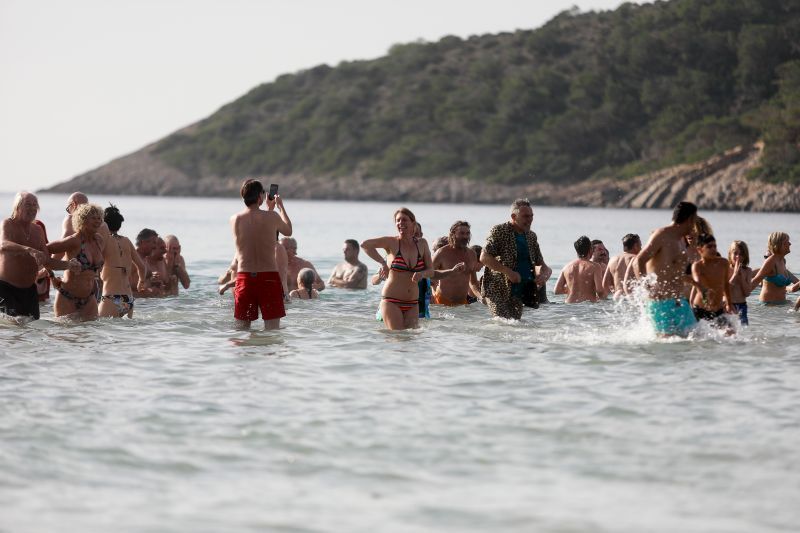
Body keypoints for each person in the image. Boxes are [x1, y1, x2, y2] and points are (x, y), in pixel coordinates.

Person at [0, 192, 78, 320]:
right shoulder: (8, 224)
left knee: (33, 329)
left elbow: (47, 260)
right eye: (28, 204)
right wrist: (29, 249)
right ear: (17, 207)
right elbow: (3, 244)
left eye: (35, 205)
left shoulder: (38, 230)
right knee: (11, 329)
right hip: (6, 289)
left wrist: (68, 265)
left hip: (30, 291)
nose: (32, 208)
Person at [230, 179, 292, 330]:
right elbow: (288, 231)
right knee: (272, 330)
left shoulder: (235, 219)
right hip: (268, 278)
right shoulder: (272, 217)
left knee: (241, 329)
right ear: (260, 197)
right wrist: (279, 207)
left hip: (245, 279)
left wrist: (268, 211)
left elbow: (254, 232)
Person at [633, 201, 700, 337]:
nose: (695, 225)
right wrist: (645, 286)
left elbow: (676, 273)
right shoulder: (661, 235)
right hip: (661, 303)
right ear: (689, 219)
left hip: (680, 303)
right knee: (667, 346)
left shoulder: (681, 240)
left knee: (697, 339)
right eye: (694, 220)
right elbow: (639, 260)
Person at [479, 198, 552, 320]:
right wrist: (508, 272)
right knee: (502, 322)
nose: (530, 220)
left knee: (515, 326)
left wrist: (544, 276)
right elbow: (484, 257)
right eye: (525, 216)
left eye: (531, 216)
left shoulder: (531, 236)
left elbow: (544, 267)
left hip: (520, 292)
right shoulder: (499, 231)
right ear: (513, 216)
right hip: (497, 289)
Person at [362, 207, 433, 330]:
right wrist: (383, 263)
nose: (400, 223)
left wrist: (421, 274)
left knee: (410, 341)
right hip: (391, 301)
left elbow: (431, 271)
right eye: (398, 220)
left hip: (412, 303)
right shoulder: (391, 242)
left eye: (404, 220)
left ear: (413, 223)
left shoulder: (422, 244)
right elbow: (365, 244)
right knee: (398, 338)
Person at [47, 203, 106, 321]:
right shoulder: (74, 241)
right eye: (93, 218)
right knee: (67, 337)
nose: (98, 221)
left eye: (99, 218)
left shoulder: (99, 240)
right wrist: (51, 276)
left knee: (92, 336)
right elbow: (43, 250)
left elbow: (95, 271)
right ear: (83, 220)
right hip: (68, 298)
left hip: (90, 298)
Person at [99, 204, 146, 318]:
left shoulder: (103, 241)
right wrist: (141, 282)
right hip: (128, 298)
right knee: (124, 333)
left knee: (101, 330)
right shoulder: (127, 241)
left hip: (111, 297)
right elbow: (142, 267)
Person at [431, 221, 480, 306]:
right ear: (453, 234)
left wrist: (481, 297)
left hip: (463, 303)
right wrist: (451, 271)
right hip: (442, 303)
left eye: (467, 233)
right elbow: (428, 273)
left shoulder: (472, 254)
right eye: (462, 233)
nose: (465, 236)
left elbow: (473, 282)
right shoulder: (441, 252)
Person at [690, 234, 734, 329]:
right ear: (700, 250)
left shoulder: (723, 263)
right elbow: (699, 285)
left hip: (718, 310)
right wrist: (706, 299)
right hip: (701, 310)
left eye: (715, 246)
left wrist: (729, 304)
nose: (713, 249)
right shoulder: (697, 266)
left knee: (732, 335)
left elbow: (726, 284)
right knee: (698, 339)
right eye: (709, 247)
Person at [555, 235, 608, 303]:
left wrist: (573, 288)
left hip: (569, 305)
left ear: (577, 251)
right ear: (590, 250)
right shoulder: (595, 266)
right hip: (587, 306)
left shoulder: (566, 267)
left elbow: (557, 290)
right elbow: (600, 291)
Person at [750, 232, 799, 304]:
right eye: (786, 242)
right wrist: (737, 297)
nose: (790, 244)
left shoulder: (782, 261)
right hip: (767, 306)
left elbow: (797, 283)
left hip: (781, 304)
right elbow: (755, 281)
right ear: (778, 245)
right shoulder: (771, 261)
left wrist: (790, 288)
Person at [603, 233, 642, 298]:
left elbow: (605, 284)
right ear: (635, 246)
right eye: (640, 245)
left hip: (617, 297)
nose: (641, 248)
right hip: (631, 297)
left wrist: (614, 292)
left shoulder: (612, 259)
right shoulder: (635, 259)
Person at [728, 240, 753, 325]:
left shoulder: (747, 271)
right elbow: (725, 291)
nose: (738, 257)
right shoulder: (726, 269)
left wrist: (741, 276)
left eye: (741, 254)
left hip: (742, 305)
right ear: (730, 254)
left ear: (745, 256)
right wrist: (735, 275)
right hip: (728, 304)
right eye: (735, 253)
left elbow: (747, 293)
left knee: (743, 329)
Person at [131, 228, 158, 297]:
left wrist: (153, 283)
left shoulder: (145, 259)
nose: (155, 247)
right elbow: (120, 288)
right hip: (136, 304)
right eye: (153, 242)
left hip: (146, 305)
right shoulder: (132, 260)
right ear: (143, 242)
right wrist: (144, 294)